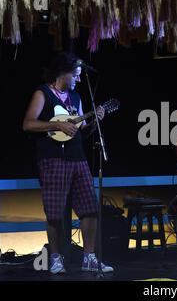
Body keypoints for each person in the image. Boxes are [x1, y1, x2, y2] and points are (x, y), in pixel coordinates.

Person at [23, 52, 113, 274]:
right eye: (76, 75)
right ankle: (55, 258)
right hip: (52, 159)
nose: (79, 80)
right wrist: (56, 126)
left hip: (78, 158)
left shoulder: (77, 99)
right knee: (54, 212)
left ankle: (89, 257)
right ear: (63, 73)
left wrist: (94, 120)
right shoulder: (42, 93)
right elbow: (28, 124)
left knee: (89, 208)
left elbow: (80, 131)